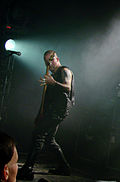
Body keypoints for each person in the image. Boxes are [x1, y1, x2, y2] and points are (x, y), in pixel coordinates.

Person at [17, 50, 75, 180]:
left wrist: (53, 83)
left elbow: (68, 87)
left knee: (38, 135)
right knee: (50, 140)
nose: (49, 64)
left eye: (51, 60)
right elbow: (46, 99)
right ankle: (64, 168)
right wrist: (40, 114)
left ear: (57, 59)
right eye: (46, 62)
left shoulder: (64, 70)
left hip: (58, 111)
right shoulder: (51, 76)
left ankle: (28, 169)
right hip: (51, 111)